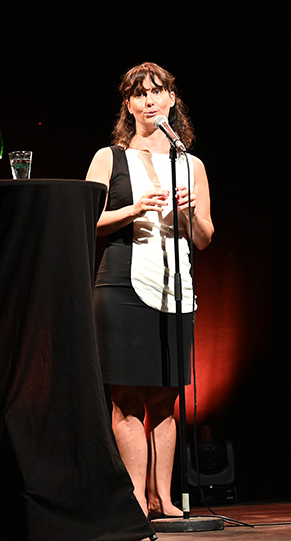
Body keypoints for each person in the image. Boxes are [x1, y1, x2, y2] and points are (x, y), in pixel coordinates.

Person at [85, 62, 214, 519]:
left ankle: (162, 497)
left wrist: (190, 214)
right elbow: (86, 220)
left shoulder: (190, 164)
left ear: (172, 99)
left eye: (157, 91)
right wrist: (134, 209)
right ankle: (135, 499)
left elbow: (204, 238)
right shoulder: (110, 158)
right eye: (139, 94)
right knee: (126, 398)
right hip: (122, 282)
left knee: (164, 399)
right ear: (128, 105)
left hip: (174, 285)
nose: (150, 100)